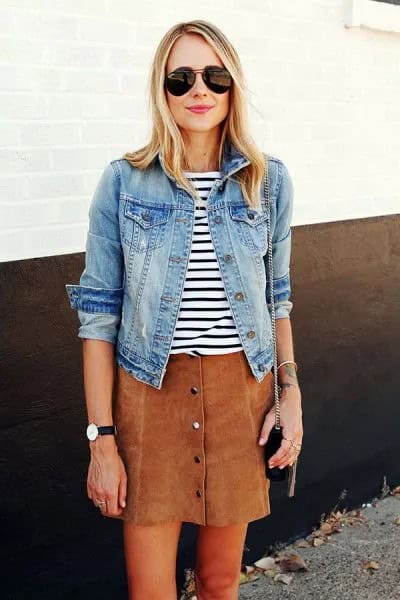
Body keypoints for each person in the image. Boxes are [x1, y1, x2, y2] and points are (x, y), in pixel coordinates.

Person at [66, 19, 303, 600]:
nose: (200, 90)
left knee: (221, 583)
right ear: (162, 89)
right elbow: (98, 317)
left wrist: (290, 393)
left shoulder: (267, 181)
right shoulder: (123, 182)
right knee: (151, 591)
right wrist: (102, 440)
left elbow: (278, 298)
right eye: (181, 78)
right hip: (150, 401)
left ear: (232, 86)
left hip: (239, 401)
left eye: (214, 76)